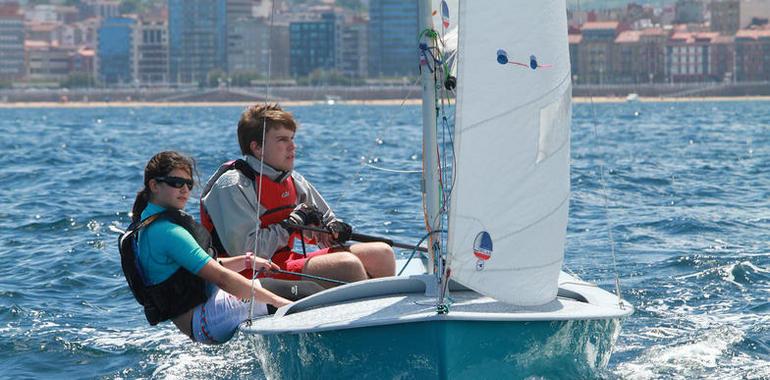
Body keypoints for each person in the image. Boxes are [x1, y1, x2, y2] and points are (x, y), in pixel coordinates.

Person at [119, 151, 323, 344]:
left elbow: (202, 265)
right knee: (305, 293)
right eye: (176, 183)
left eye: (189, 184)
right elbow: (222, 279)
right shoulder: (165, 232)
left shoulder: (148, 221)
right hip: (205, 321)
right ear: (154, 185)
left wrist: (247, 261)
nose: (184, 190)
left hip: (202, 318)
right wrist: (280, 303)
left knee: (298, 291)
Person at [201, 104, 396, 288]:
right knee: (347, 266)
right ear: (257, 148)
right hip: (248, 278)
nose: (292, 146)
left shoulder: (294, 181)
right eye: (282, 140)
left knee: (382, 254)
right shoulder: (233, 185)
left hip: (284, 264)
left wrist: (333, 229)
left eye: (292, 138)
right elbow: (245, 252)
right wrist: (290, 225)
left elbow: (326, 222)